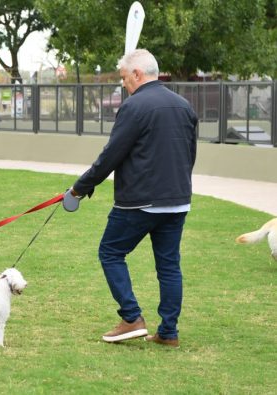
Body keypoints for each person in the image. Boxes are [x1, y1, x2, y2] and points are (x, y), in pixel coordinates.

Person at [68, 49, 198, 348]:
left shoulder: (134, 107)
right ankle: (168, 332)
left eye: (124, 79)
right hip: (177, 201)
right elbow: (190, 155)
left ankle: (132, 317)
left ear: (138, 74)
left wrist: (79, 188)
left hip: (139, 202)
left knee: (110, 252)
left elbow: (111, 155)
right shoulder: (184, 106)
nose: (124, 85)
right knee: (169, 265)